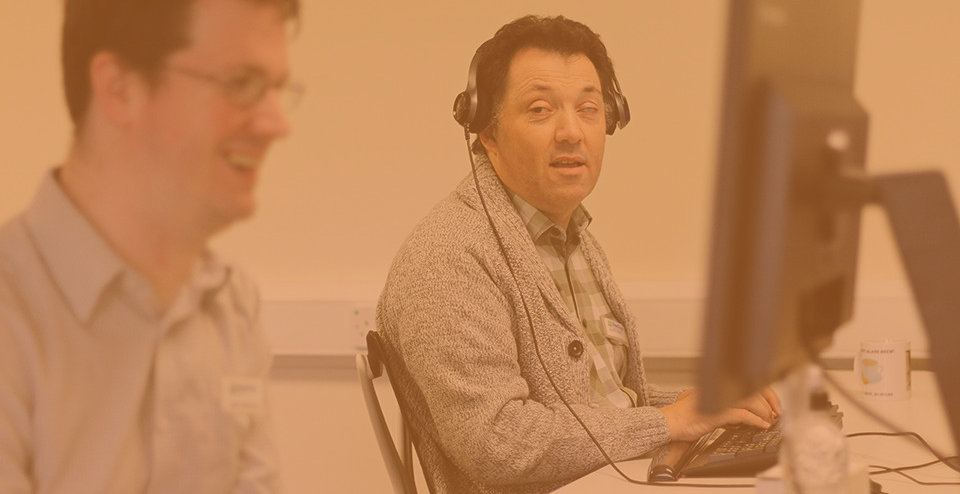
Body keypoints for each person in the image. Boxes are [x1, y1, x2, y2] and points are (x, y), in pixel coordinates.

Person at [376, 15, 781, 493]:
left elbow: (607, 405)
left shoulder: (575, 240)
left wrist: (713, 405)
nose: (572, 131)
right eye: (541, 109)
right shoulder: (448, 257)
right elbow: (498, 443)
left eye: (589, 108)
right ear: (487, 132)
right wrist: (668, 422)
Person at [0, 0, 300, 491]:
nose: (277, 124)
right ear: (119, 88)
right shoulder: (14, 315)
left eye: (276, 89)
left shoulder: (229, 304)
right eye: (241, 84)